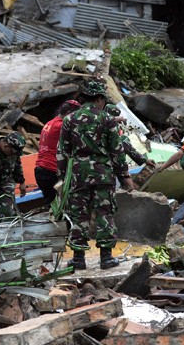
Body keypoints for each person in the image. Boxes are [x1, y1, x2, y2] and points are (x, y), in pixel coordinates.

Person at [57, 80, 134, 270]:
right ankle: (106, 258)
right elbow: (117, 150)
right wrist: (124, 176)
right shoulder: (107, 120)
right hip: (103, 174)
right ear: (99, 99)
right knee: (104, 213)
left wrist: (62, 177)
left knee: (79, 215)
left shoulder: (69, 120)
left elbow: (62, 151)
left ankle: (78, 258)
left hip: (77, 175)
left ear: (83, 99)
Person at [35, 100, 81, 206]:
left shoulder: (50, 123)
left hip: (42, 169)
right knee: (61, 207)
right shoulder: (61, 126)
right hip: (52, 170)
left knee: (52, 205)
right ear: (70, 113)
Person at [105, 105, 156, 169]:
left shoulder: (96, 125)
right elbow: (128, 148)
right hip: (107, 166)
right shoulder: (116, 133)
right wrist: (145, 160)